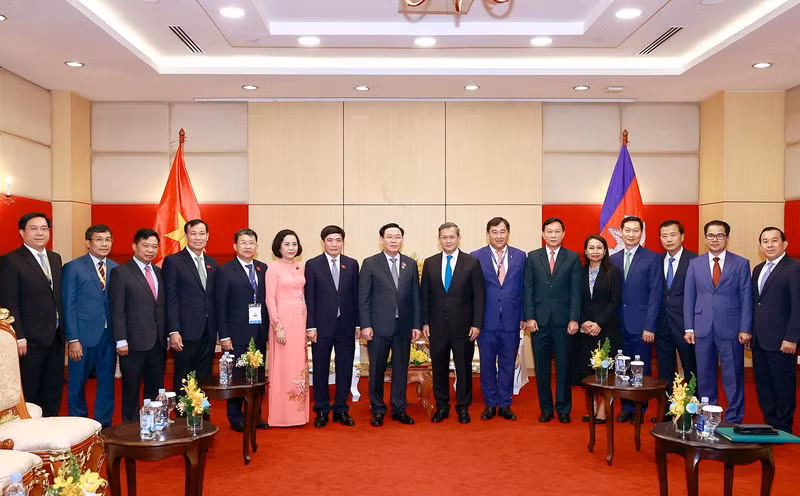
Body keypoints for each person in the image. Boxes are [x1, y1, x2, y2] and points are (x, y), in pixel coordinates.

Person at [684, 220, 752, 424]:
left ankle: (733, 418)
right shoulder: (695, 263)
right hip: (702, 327)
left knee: (733, 377)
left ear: (727, 238)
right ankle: (707, 417)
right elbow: (689, 296)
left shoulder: (740, 263)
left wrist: (745, 328)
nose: (715, 239)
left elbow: (746, 297)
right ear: (705, 238)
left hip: (731, 329)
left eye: (719, 235)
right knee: (704, 376)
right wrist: (689, 327)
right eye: (711, 235)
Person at [0, 213, 64, 417]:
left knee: (54, 389)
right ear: (22, 232)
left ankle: (50, 427)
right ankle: (31, 435)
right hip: (29, 339)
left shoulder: (55, 258)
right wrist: (18, 335)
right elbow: (9, 303)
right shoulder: (11, 261)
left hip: (55, 336)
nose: (40, 233)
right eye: (34, 228)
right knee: (32, 390)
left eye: (44, 228)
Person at [421, 222, 485, 424]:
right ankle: (442, 406)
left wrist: (477, 324)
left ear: (459, 238)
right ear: (439, 239)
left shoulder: (471, 262)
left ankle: (463, 407)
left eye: (452, 237)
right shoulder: (430, 263)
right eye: (444, 237)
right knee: (438, 367)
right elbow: (425, 296)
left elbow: (479, 296)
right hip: (437, 326)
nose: (448, 240)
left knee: (463, 368)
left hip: (464, 327)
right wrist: (424, 322)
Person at [359, 223, 422, 427]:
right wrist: (365, 324)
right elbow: (364, 298)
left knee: (401, 370)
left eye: (397, 237)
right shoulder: (370, 263)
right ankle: (377, 409)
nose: (393, 240)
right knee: (376, 370)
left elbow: (415, 297)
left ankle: (399, 408)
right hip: (377, 328)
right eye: (389, 237)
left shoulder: (410, 264)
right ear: (381, 240)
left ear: (402, 240)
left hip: (403, 327)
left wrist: (416, 325)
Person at [523, 218, 582, 424]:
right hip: (538, 322)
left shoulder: (573, 258)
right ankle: (546, 409)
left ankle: (564, 408)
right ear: (543, 234)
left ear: (563, 234)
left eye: (557, 231)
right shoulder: (532, 257)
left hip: (564, 322)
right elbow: (527, 289)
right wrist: (529, 317)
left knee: (564, 367)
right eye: (549, 231)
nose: (553, 235)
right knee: (541, 368)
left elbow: (576, 291)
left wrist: (574, 318)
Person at [62, 224, 118, 427]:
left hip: (109, 336)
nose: (104, 243)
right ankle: (79, 425)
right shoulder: (73, 267)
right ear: (88, 243)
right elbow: (69, 305)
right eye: (99, 239)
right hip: (82, 338)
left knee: (106, 384)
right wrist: (73, 339)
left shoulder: (115, 267)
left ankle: (103, 425)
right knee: (77, 384)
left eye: (108, 239)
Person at [471, 217, 526, 421]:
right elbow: (473, 292)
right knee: (486, 364)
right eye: (494, 232)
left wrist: (523, 316)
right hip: (486, 321)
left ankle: (504, 404)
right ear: (488, 234)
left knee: (507, 364)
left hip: (512, 320)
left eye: (502, 232)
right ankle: (489, 403)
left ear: (508, 234)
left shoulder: (520, 256)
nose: (499, 236)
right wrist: (474, 321)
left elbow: (524, 289)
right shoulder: (476, 257)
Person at [305, 225, 359, 428]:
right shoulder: (312, 265)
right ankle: (321, 409)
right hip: (321, 326)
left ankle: (341, 410)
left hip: (346, 325)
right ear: (323, 242)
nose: (334, 244)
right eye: (330, 240)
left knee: (345, 368)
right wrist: (310, 326)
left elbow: (356, 295)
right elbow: (309, 297)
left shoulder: (352, 264)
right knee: (320, 368)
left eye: (338, 240)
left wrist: (358, 324)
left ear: (343, 242)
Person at [109, 229, 166, 423]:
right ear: (134, 247)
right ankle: (131, 428)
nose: (150, 250)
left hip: (157, 343)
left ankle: (151, 423)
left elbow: (160, 307)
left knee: (154, 387)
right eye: (145, 245)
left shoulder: (159, 272)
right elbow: (117, 309)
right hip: (132, 343)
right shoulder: (121, 272)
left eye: (154, 246)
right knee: (131, 389)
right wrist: (120, 340)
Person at [609, 216, 662, 423]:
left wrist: (650, 326)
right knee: (622, 368)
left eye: (635, 231)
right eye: (627, 230)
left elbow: (655, 294)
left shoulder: (652, 258)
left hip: (642, 326)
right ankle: (626, 407)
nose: (631, 234)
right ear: (620, 232)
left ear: (642, 233)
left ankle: (640, 408)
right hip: (618, 324)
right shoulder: (613, 259)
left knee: (641, 369)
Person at [215, 228, 268, 432]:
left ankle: (255, 416)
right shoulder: (225, 270)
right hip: (235, 334)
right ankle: (236, 418)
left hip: (259, 332)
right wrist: (224, 335)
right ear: (235, 246)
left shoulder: (263, 268)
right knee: (237, 377)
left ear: (256, 246)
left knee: (257, 376)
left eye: (252, 242)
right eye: (244, 242)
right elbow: (221, 305)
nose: (248, 246)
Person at [751, 227, 799, 433]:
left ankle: (783, 426)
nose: (769, 245)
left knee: (783, 384)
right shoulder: (758, 269)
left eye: (774, 241)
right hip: (759, 339)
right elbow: (756, 303)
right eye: (765, 241)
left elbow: (798, 306)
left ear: (784, 244)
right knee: (763, 384)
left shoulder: (794, 268)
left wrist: (792, 337)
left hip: (782, 340)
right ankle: (769, 421)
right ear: (760, 245)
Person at [162, 219, 218, 396]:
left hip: (208, 332)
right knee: (183, 377)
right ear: (186, 236)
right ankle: (181, 421)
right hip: (185, 332)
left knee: (204, 377)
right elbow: (170, 299)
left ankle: (202, 419)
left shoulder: (212, 263)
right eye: (193, 233)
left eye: (202, 234)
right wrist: (173, 331)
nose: (198, 237)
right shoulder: (173, 262)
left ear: (208, 236)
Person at [265, 229, 310, 427]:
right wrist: (277, 326)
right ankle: (281, 415)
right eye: (286, 244)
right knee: (283, 367)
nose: (291, 248)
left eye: (294, 244)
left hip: (300, 321)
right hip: (282, 321)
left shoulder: (302, 267)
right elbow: (269, 299)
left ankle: (299, 415)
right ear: (279, 247)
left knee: (299, 365)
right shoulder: (273, 269)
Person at [653, 220, 697, 423]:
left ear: (682, 237)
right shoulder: (657, 260)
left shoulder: (695, 261)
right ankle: (668, 410)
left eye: (672, 235)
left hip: (685, 325)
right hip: (662, 325)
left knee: (690, 370)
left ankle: (691, 411)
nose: (668, 239)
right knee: (664, 371)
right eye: (664, 235)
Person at [576, 235, 622, 424]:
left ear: (605, 251)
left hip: (606, 329)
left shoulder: (613, 272)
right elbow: (574, 299)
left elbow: (615, 301)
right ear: (585, 251)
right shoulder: (579, 272)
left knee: (605, 370)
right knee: (588, 370)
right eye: (591, 248)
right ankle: (593, 406)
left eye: (599, 248)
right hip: (584, 330)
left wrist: (599, 323)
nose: (595, 251)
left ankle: (603, 409)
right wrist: (582, 321)